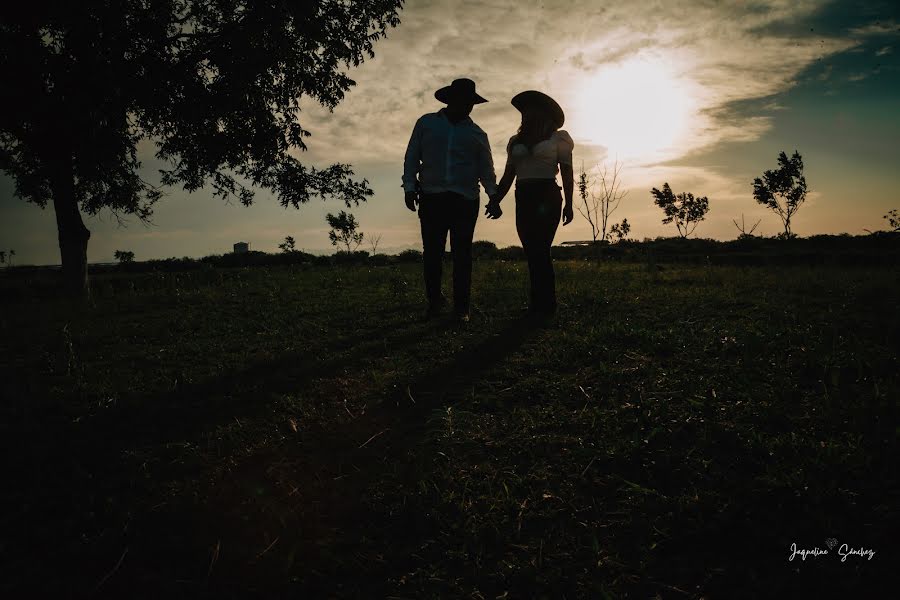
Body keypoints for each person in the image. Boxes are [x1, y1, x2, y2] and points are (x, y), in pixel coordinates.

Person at [402, 78, 498, 322]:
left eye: (471, 102)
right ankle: (434, 302)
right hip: (432, 197)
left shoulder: (477, 134)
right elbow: (412, 155)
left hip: (465, 199)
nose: (468, 106)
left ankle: (461, 308)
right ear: (451, 100)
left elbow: (486, 169)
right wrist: (409, 187)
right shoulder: (426, 124)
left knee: (462, 254)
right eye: (464, 101)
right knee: (432, 252)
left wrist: (493, 196)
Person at [485, 91, 574, 315]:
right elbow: (508, 175)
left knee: (540, 249)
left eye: (529, 110)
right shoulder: (515, 142)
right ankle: (540, 303)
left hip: (548, 195)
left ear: (541, 114)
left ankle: (546, 304)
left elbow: (567, 172)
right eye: (523, 111)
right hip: (523, 196)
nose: (524, 115)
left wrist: (569, 204)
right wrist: (495, 200)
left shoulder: (559, 138)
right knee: (531, 250)